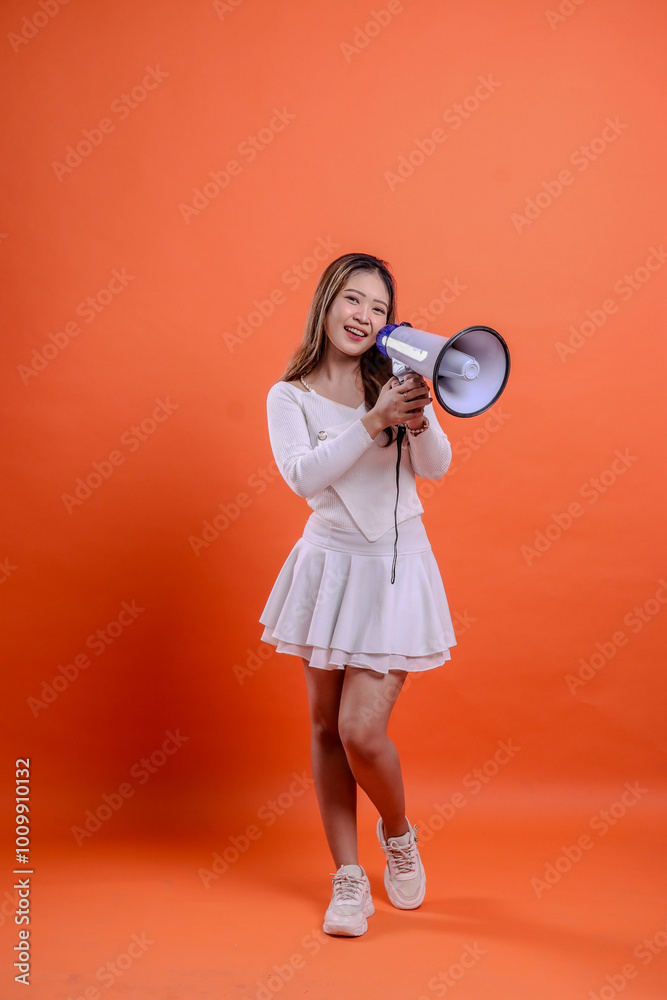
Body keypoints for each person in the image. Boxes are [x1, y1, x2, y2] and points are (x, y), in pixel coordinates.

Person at [259, 252, 457, 937]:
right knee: (322, 727)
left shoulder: (394, 379)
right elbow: (304, 477)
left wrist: (419, 417)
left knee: (358, 730)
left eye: (376, 306)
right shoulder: (289, 396)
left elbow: (435, 470)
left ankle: (396, 834)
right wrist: (372, 421)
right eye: (351, 300)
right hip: (329, 566)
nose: (362, 315)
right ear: (326, 303)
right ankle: (347, 879)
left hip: (396, 567)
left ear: (386, 321)